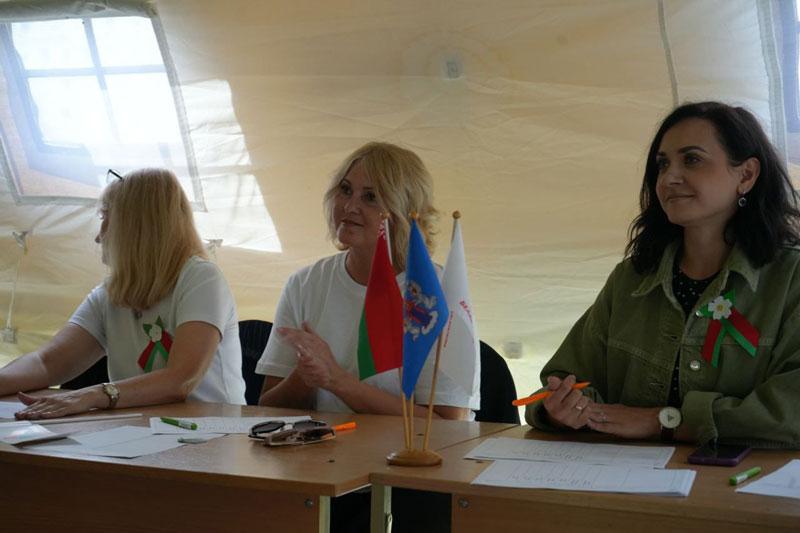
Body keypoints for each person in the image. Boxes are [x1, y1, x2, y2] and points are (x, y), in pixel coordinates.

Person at [526, 101, 800, 448]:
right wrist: (560, 409)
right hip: (625, 478)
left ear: (746, 175)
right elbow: (563, 381)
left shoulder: (791, 280)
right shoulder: (630, 279)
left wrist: (665, 422)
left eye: (692, 159)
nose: (669, 178)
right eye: (662, 164)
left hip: (742, 481)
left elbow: (791, 412)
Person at [257, 142, 478, 420]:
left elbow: (449, 423)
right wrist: (305, 374)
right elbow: (266, 410)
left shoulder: (439, 293)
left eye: (370, 197)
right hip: (329, 447)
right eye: (345, 190)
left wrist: (337, 380)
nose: (350, 206)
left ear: (402, 212)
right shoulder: (304, 284)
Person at [0, 168, 245, 418]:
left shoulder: (201, 279)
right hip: (141, 429)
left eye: (106, 218)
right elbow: (47, 363)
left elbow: (180, 380)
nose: (99, 237)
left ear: (137, 226)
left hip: (216, 431)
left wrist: (93, 395)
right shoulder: (109, 293)